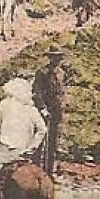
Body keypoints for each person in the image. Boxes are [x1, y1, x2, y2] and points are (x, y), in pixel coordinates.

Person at [32, 48, 67, 176]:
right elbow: (37, 93)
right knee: (41, 142)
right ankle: (36, 170)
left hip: (56, 112)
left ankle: (49, 173)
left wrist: (62, 106)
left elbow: (60, 92)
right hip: (44, 112)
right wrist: (43, 109)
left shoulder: (61, 73)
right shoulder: (42, 73)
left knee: (52, 144)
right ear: (50, 58)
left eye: (59, 58)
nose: (57, 61)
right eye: (54, 57)